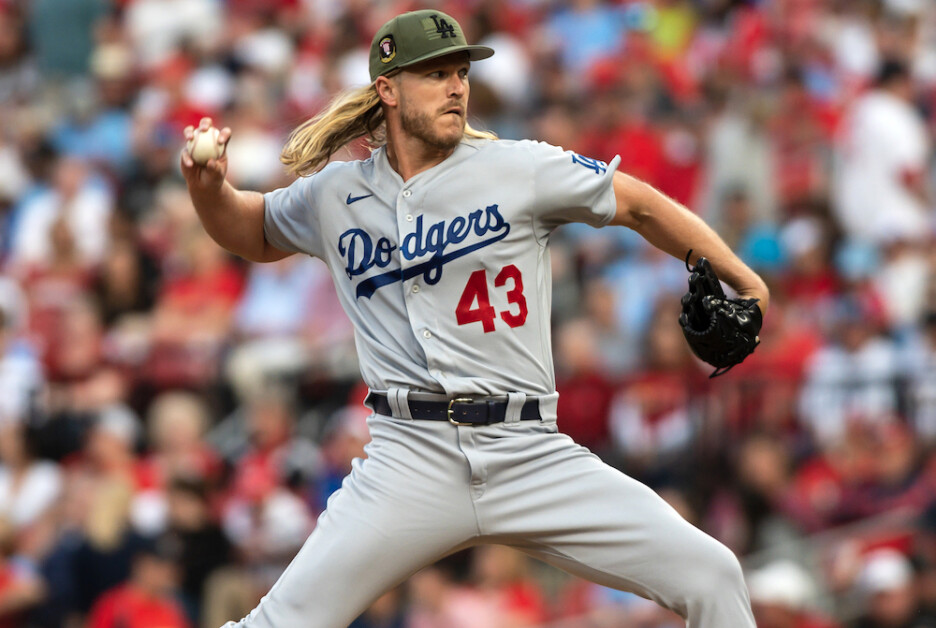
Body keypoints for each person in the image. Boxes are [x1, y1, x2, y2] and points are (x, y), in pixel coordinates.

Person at [181, 10, 769, 628]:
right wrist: (207, 189)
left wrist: (745, 280)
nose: (457, 87)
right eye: (435, 74)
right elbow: (250, 230)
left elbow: (640, 206)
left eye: (460, 72)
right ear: (388, 89)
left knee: (714, 576)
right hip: (409, 456)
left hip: (528, 450)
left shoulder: (519, 167)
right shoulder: (335, 194)